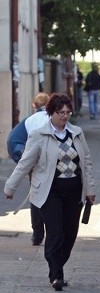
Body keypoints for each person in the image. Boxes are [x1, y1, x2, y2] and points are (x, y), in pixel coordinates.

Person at [4, 93, 96, 291]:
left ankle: (58, 266)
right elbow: (25, 163)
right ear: (51, 113)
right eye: (60, 112)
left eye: (67, 112)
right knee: (55, 233)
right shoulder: (39, 134)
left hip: (74, 190)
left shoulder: (77, 133)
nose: (64, 116)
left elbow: (86, 162)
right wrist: (10, 186)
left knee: (70, 233)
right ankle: (56, 275)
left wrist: (90, 189)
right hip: (50, 190)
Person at [6, 92, 50, 245]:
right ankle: (52, 231)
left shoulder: (29, 121)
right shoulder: (54, 119)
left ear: (34, 105)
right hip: (52, 163)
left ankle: (37, 234)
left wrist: (22, 161)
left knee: (36, 197)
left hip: (34, 163)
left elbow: (14, 140)